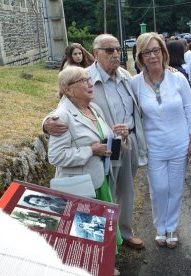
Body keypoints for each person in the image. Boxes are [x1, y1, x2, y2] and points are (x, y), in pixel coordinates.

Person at [44, 34, 147, 250]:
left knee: (126, 190)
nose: (116, 54)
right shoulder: (83, 77)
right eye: (109, 51)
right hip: (99, 152)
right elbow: (61, 110)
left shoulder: (126, 76)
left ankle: (123, 233)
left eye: (118, 49)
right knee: (102, 196)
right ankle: (102, 248)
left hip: (124, 141)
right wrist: (45, 124)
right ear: (96, 52)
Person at [46, 66, 124, 264]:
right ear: (68, 89)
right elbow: (55, 156)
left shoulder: (93, 108)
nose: (90, 84)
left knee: (99, 234)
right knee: (86, 238)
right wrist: (91, 151)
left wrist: (116, 135)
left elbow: (100, 136)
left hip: (99, 181)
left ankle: (102, 265)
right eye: (83, 81)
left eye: (89, 79)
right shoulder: (62, 117)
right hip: (80, 187)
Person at [130, 32, 191, 249]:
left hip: (179, 143)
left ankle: (171, 227)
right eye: (147, 52)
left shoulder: (177, 78)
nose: (152, 56)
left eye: (156, 50)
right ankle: (160, 226)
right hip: (153, 146)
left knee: (175, 188)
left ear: (163, 52)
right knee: (159, 189)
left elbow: (190, 110)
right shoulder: (135, 84)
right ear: (140, 57)